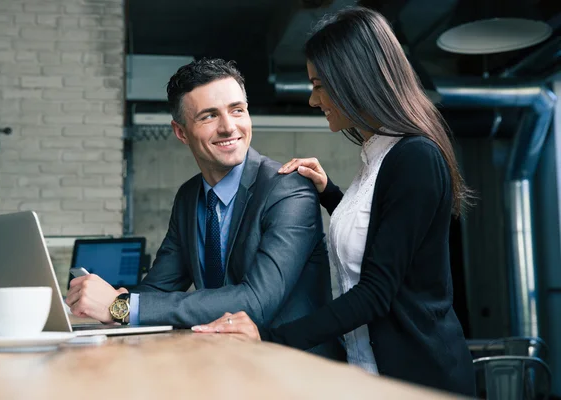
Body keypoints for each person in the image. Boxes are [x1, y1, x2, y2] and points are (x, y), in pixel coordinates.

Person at [192, 7, 476, 396]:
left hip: (420, 380)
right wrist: (331, 193)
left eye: (319, 85)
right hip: (367, 373)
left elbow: (375, 293)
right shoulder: (378, 155)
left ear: (354, 80)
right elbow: (380, 237)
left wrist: (269, 336)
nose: (312, 99)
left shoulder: (415, 157)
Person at [65, 58, 344, 361]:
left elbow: (256, 301)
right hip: (225, 361)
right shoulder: (189, 197)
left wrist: (121, 306)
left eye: (237, 110)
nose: (229, 127)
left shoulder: (289, 189)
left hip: (298, 369)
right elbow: (159, 288)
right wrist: (105, 296)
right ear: (181, 132)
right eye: (209, 116)